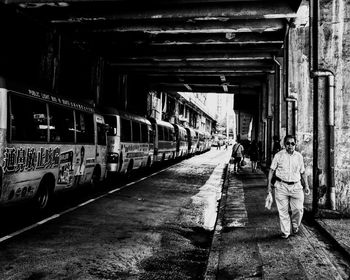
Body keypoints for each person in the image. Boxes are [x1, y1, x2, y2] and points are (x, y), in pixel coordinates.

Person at [267, 135, 310, 239]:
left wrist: (307, 185)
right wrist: (269, 186)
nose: (290, 146)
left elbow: (303, 172)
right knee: (283, 211)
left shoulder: (299, 156)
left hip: (296, 186)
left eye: (292, 143)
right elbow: (272, 170)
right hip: (281, 186)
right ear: (284, 144)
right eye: (288, 143)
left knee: (298, 210)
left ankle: (295, 225)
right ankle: (286, 232)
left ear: (295, 144)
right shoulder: (278, 155)